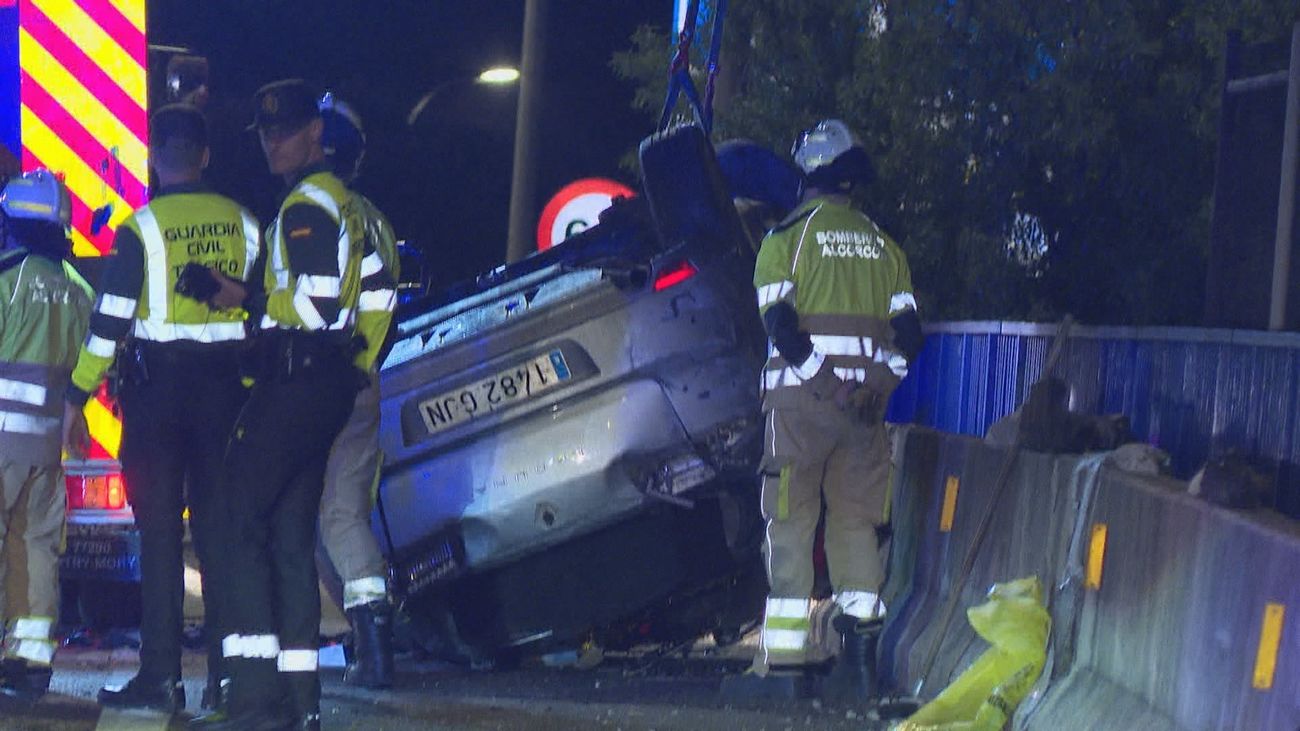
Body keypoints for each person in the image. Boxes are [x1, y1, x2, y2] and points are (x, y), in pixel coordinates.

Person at [190, 78, 388, 731]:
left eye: (286, 130)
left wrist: (247, 301)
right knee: (288, 535)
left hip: (301, 382)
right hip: (333, 384)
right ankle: (300, 702)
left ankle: (253, 696)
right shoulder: (348, 205)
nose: (273, 142)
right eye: (266, 133)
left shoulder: (306, 206)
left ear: (317, 135)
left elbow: (312, 304)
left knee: (231, 517)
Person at [60, 104, 261, 715]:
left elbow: (109, 324)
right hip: (227, 396)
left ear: (153, 158)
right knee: (223, 538)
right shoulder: (245, 224)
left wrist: (77, 395)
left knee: (160, 540)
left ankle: (162, 678)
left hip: (158, 402)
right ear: (205, 156)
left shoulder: (140, 230)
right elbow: (263, 310)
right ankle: (229, 680)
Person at [750, 119, 923, 703]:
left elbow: (781, 330)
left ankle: (788, 673)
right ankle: (860, 668)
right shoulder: (885, 247)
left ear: (808, 175)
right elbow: (910, 337)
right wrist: (872, 388)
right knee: (857, 527)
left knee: (791, 525)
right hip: (865, 418)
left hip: (801, 412)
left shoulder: (785, 242)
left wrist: (829, 386)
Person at [314, 93, 399, 689]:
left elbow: (307, 306)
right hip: (360, 377)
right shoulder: (373, 217)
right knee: (338, 511)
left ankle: (367, 645)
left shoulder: (321, 212)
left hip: (325, 381)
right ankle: (357, 645)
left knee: (336, 514)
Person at [0, 170, 93, 708]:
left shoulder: (6, 280)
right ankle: (30, 662)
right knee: (35, 549)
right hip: (45, 452)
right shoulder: (77, 288)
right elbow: (95, 363)